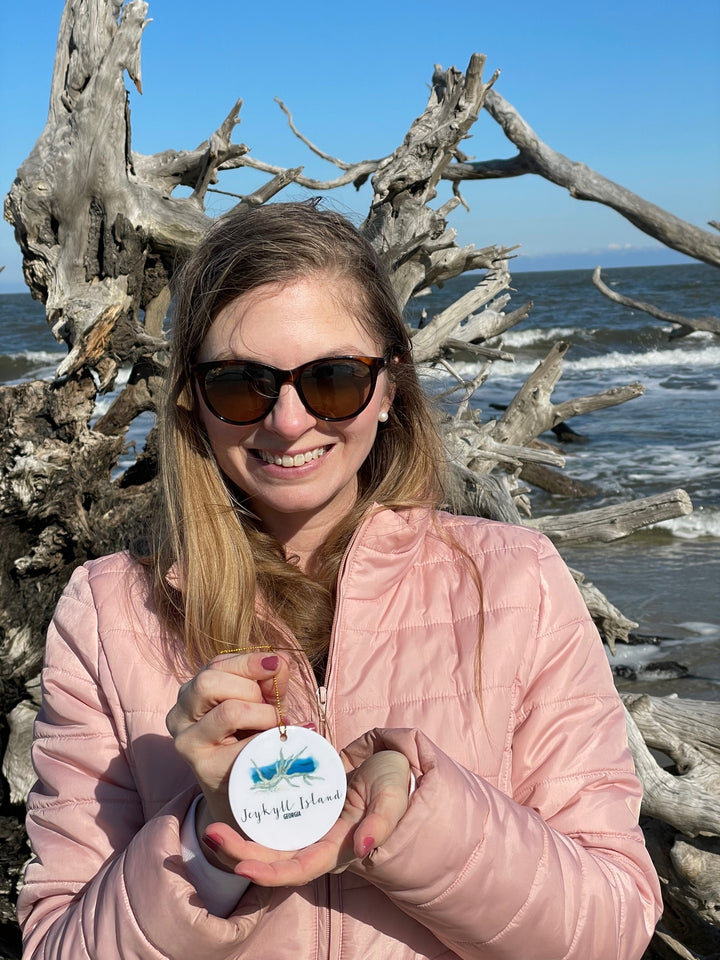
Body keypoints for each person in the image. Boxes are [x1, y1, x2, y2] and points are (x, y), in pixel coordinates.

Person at [18, 201, 662, 959]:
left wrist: (417, 818)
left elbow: (613, 927)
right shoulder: (108, 612)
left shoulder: (517, 581)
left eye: (332, 379)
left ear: (389, 388)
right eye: (240, 384)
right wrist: (208, 835)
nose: (288, 422)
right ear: (192, 399)